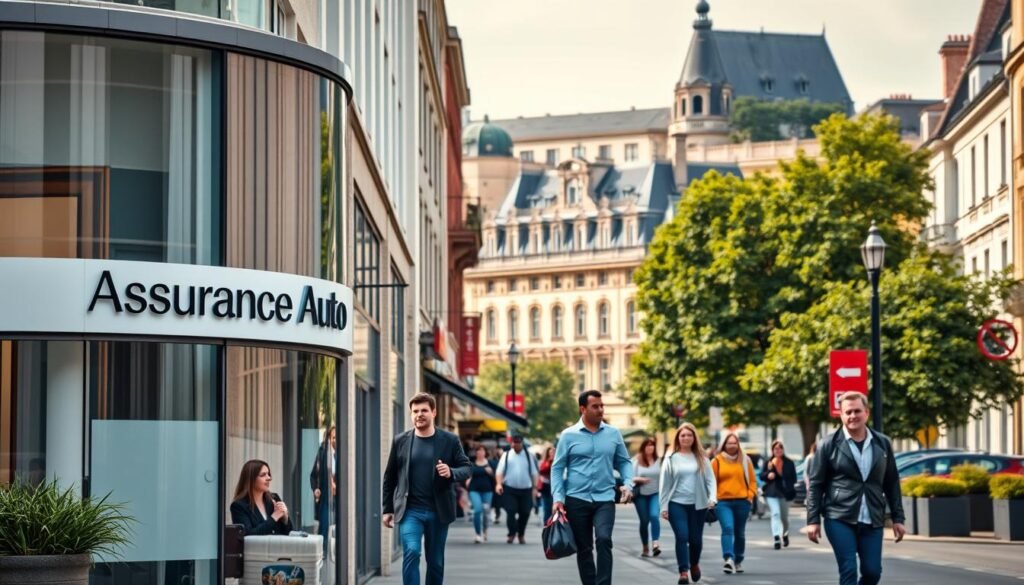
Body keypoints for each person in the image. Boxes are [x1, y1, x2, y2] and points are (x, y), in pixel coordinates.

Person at [806, 392, 906, 585]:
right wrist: (813, 520)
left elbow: (892, 482)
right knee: (849, 570)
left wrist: (898, 518)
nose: (853, 416)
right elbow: (816, 485)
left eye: (857, 411)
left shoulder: (882, 443)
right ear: (841, 415)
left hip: (872, 518)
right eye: (848, 412)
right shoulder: (828, 444)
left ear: (866, 413)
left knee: (872, 572)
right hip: (839, 517)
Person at [382, 393, 472, 585]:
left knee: (436, 561)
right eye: (415, 411)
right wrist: (387, 509)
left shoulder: (449, 440)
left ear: (434, 412)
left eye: (424, 410)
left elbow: (467, 468)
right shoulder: (401, 441)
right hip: (410, 510)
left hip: (438, 510)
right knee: (412, 552)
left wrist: (451, 472)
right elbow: (390, 476)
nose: (419, 415)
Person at [552, 390, 634, 585]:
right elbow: (557, 468)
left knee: (604, 539)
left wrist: (628, 484)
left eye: (601, 406)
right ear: (583, 409)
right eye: (595, 406)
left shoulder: (613, 434)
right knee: (584, 548)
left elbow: (624, 462)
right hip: (576, 499)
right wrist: (558, 498)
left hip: (604, 498)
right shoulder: (568, 435)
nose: (600, 410)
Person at [660, 422, 716, 585]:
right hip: (676, 503)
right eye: (683, 435)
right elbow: (664, 484)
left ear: (694, 438)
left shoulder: (701, 458)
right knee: (682, 536)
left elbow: (711, 480)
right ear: (678, 438)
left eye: (689, 435)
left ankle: (695, 563)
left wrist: (712, 498)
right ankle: (683, 571)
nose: (686, 438)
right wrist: (663, 507)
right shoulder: (671, 458)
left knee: (696, 540)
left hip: (698, 504)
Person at [711, 433, 758, 575]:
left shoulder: (745, 460)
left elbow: (753, 481)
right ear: (724, 444)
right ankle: (728, 559)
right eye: (729, 443)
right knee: (728, 528)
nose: (732, 446)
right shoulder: (716, 461)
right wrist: (712, 499)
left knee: (740, 533)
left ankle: (738, 560)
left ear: (738, 444)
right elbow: (711, 483)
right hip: (723, 502)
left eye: (734, 443)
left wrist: (750, 496)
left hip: (742, 502)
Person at [495, 431, 539, 544]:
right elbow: (499, 472)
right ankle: (511, 533)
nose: (515, 445)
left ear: (522, 443)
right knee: (510, 511)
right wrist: (499, 484)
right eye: (513, 443)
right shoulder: (506, 455)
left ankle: (521, 534)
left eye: (517, 443)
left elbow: (534, 473)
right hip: (510, 489)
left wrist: (535, 488)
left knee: (525, 513)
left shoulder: (529, 456)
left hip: (526, 489)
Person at [230, 459, 293, 535]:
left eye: (268, 474)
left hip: (278, 546)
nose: (269, 478)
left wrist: (285, 518)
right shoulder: (239, 506)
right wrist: (274, 517)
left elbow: (291, 533)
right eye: (263, 475)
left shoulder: (274, 498)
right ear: (251, 479)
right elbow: (248, 535)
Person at [760, 439, 797, 550]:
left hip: (785, 493)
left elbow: (793, 478)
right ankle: (776, 537)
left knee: (784, 517)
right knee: (775, 514)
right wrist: (768, 474)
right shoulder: (768, 462)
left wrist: (780, 472)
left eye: (780, 448)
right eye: (776, 448)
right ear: (772, 450)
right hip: (771, 492)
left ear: (783, 450)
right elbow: (762, 476)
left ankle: (785, 534)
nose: (778, 450)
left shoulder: (789, 463)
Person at [632, 437, 662, 558]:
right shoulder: (636, 460)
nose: (650, 448)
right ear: (643, 447)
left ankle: (655, 544)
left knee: (654, 516)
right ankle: (645, 546)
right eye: (648, 445)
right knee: (644, 521)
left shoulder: (659, 461)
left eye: (652, 445)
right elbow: (630, 477)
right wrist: (640, 479)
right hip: (641, 495)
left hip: (655, 493)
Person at [309, 425, 337, 547]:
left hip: (339, 495)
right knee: (324, 524)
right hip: (326, 495)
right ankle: (323, 550)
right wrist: (316, 489)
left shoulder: (343, 453)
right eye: (334, 438)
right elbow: (314, 474)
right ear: (329, 439)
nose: (336, 440)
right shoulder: (323, 453)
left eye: (337, 438)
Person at [465, 444, 496, 543]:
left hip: (487, 490)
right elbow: (468, 472)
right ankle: (478, 534)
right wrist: (483, 471)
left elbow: (496, 475)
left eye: (482, 450)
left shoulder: (491, 463)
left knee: (486, 512)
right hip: (474, 490)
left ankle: (485, 530)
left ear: (485, 452)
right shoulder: (471, 464)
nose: (480, 452)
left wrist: (491, 473)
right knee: (477, 510)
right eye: (477, 450)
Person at [538, 446, 555, 523]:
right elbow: (540, 472)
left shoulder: (557, 461)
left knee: (553, 507)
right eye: (550, 452)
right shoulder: (544, 462)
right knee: (546, 507)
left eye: (553, 452)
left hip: (554, 486)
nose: (552, 454)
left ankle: (552, 523)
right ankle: (546, 523)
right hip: (545, 486)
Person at [490, 445, 505, 524]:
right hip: (492, 483)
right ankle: (494, 514)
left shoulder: (503, 460)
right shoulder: (491, 461)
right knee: (494, 500)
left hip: (501, 483)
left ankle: (497, 515)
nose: (498, 452)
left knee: (499, 501)